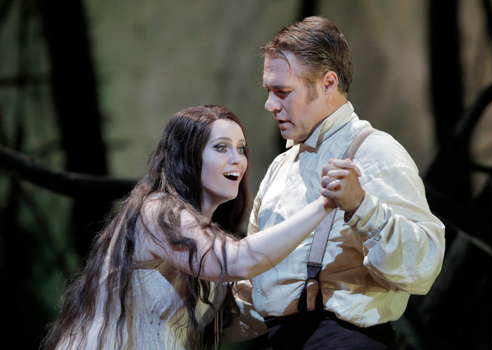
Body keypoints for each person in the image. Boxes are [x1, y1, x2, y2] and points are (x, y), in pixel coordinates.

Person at [42, 105, 336, 350]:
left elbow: (232, 324)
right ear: (189, 157)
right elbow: (237, 260)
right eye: (221, 148)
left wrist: (319, 289)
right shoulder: (157, 211)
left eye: (241, 149)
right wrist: (325, 204)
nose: (237, 159)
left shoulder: (207, 237)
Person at [234, 16, 446, 349]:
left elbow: (422, 268)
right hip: (280, 339)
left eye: (282, 92)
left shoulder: (376, 152)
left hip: (343, 340)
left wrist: (363, 207)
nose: (270, 105)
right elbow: (252, 277)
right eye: (268, 91)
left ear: (328, 83)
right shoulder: (282, 166)